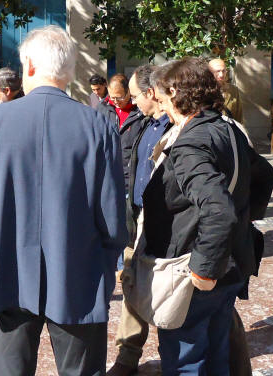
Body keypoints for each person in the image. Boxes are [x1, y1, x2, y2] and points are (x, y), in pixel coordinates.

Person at [0, 26, 128, 375]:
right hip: (78, 269)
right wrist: (106, 262)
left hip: (6, 266)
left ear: (31, 67)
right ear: (68, 70)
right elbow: (112, 215)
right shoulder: (97, 126)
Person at [136, 57, 256, 375]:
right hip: (229, 265)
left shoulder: (192, 142)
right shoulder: (227, 127)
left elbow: (220, 211)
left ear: (176, 91)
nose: (161, 108)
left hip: (198, 274)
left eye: (162, 99)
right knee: (216, 355)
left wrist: (202, 269)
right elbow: (261, 178)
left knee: (186, 362)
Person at [108, 62, 173, 376]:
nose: (131, 102)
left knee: (169, 290)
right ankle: (127, 355)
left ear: (151, 92)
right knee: (130, 283)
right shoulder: (146, 123)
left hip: (166, 225)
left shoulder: (176, 125)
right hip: (138, 220)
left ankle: (172, 352)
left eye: (135, 95)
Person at [96, 73, 147, 193]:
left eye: (119, 97)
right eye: (112, 97)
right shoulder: (102, 107)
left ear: (128, 92)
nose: (115, 101)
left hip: (131, 176)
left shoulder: (140, 110)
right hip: (107, 174)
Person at [208, 58, 245, 123]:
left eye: (223, 71)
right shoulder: (203, 90)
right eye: (217, 71)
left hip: (228, 130)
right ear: (209, 72)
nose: (221, 75)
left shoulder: (233, 90)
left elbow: (239, 115)